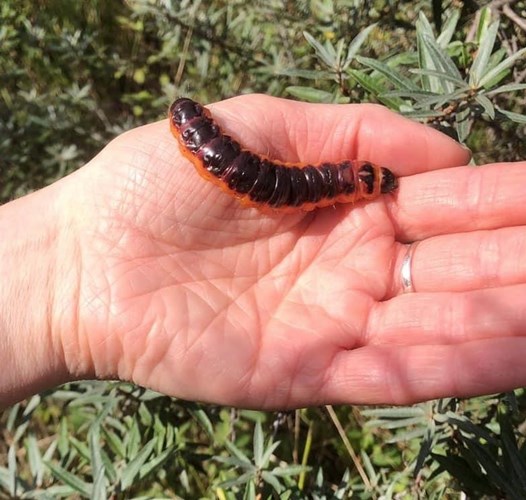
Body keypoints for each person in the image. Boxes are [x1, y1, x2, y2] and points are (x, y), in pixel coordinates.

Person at [1, 94, 525, 410]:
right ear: (197, 129)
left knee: (279, 183)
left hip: (313, 183)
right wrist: (65, 264)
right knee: (278, 182)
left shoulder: (210, 149)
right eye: (194, 126)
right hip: (313, 183)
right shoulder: (213, 157)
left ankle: (360, 181)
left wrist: (61, 269)